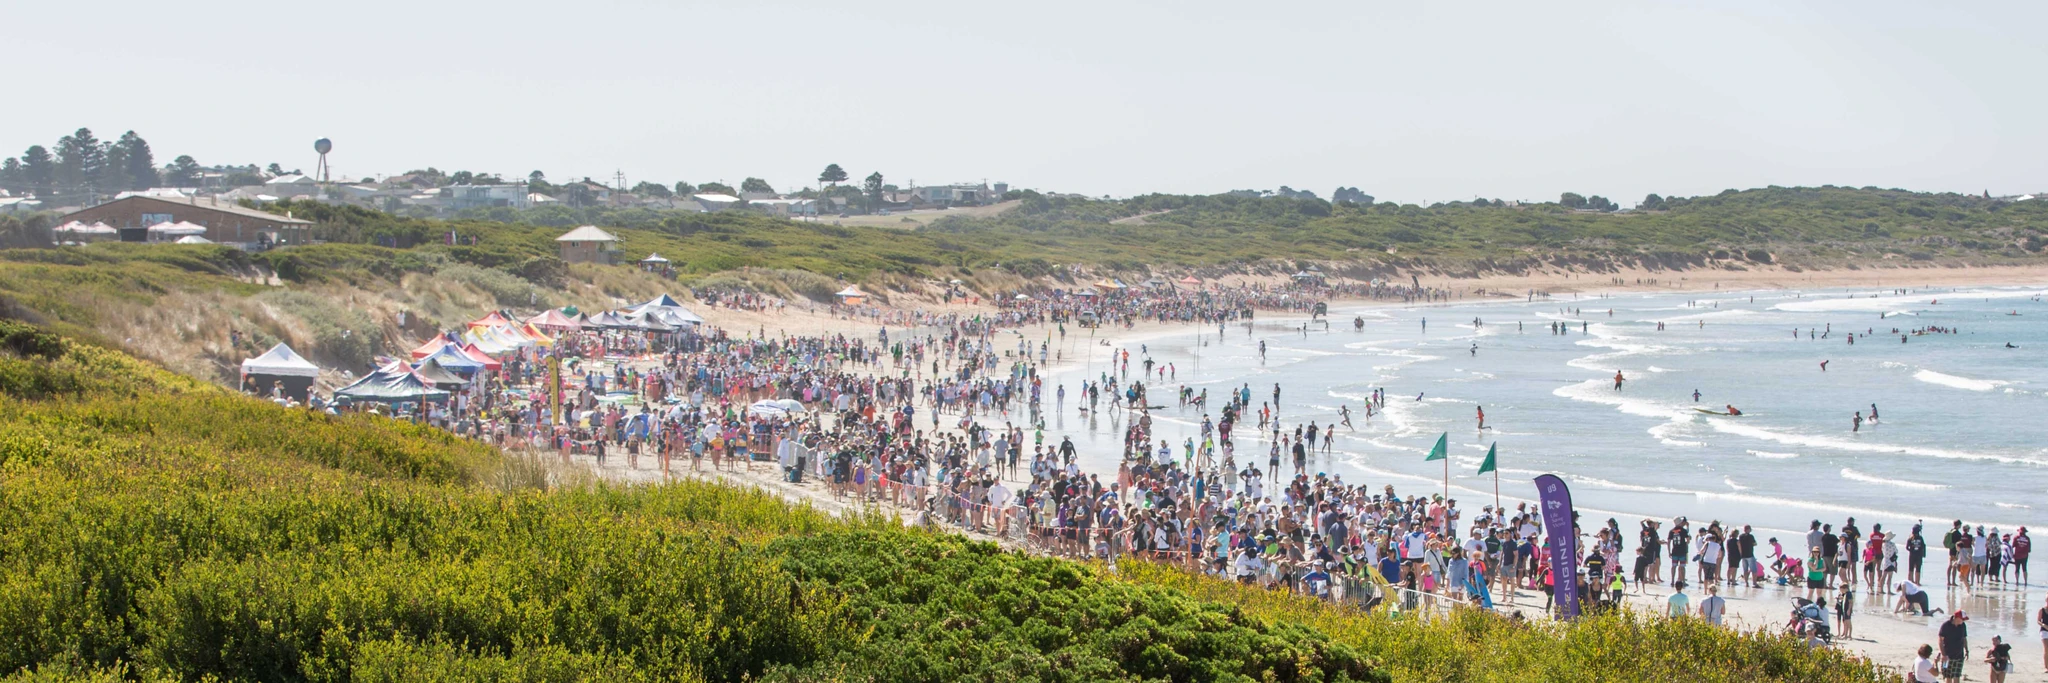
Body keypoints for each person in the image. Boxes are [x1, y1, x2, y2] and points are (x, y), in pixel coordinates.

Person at [1938, 611, 1969, 683]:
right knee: (1947, 676)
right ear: (1957, 618)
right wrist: (1943, 655)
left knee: (1957, 676)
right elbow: (1940, 641)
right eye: (1963, 619)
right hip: (1947, 656)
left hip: (1959, 656)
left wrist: (1967, 650)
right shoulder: (1945, 625)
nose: (1963, 621)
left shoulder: (1963, 625)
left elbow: (1964, 638)